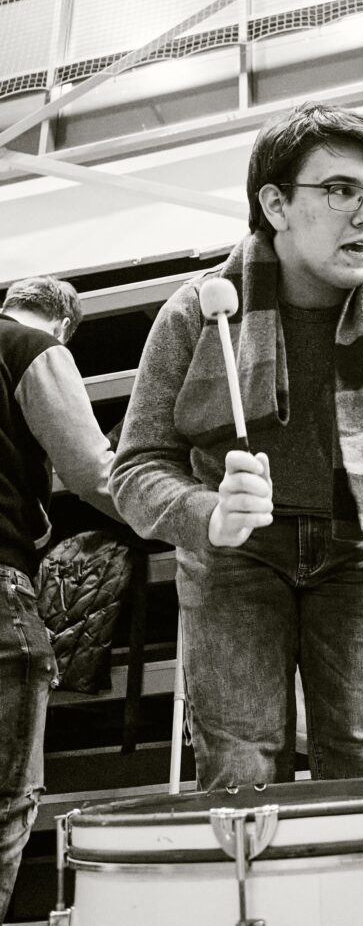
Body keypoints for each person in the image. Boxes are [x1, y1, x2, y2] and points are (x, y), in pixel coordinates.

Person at [110, 101, 363, 789]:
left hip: (359, 550)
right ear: (275, 204)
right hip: (235, 561)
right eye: (340, 190)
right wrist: (207, 514)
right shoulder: (195, 312)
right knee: (241, 770)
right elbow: (135, 469)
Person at [0, 275, 122, 923]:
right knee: (5, 800)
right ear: (65, 325)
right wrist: (190, 519)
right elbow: (90, 470)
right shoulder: (32, 349)